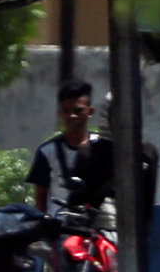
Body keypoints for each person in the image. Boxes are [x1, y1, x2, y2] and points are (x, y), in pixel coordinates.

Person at [27, 79, 113, 219]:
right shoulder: (47, 151)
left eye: (78, 111)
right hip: (58, 229)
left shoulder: (102, 147)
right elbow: (40, 198)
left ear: (90, 112)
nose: (72, 116)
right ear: (61, 113)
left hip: (93, 229)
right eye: (67, 111)